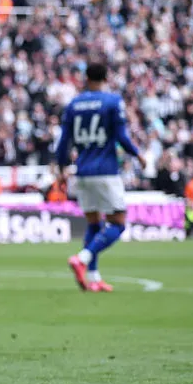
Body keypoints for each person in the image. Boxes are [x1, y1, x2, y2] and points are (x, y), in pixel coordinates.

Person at [55, 62, 142, 292]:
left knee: (94, 223)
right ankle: (83, 258)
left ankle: (93, 278)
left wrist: (62, 167)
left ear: (86, 78)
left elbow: (64, 142)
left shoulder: (74, 104)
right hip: (105, 171)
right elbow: (122, 137)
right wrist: (138, 154)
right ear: (106, 76)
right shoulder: (112, 101)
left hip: (82, 171)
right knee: (118, 223)